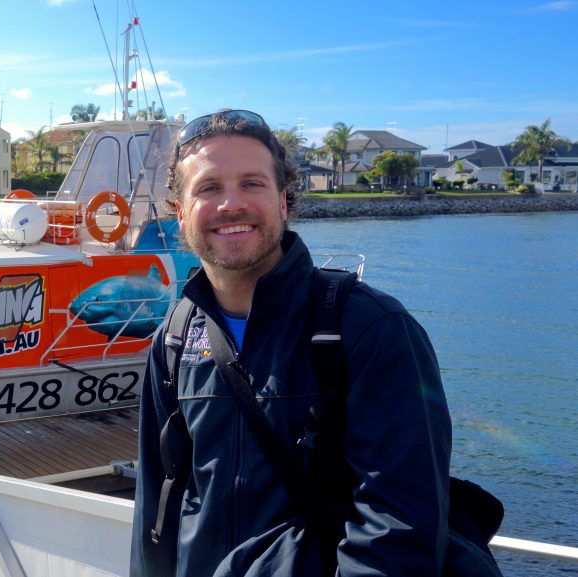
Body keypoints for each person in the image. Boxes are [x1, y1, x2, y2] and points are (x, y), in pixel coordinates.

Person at [130, 110, 452, 576]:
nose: (230, 204)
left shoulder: (370, 327)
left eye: (252, 184)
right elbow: (156, 508)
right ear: (181, 214)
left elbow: (398, 522)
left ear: (283, 202)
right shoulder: (174, 340)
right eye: (208, 188)